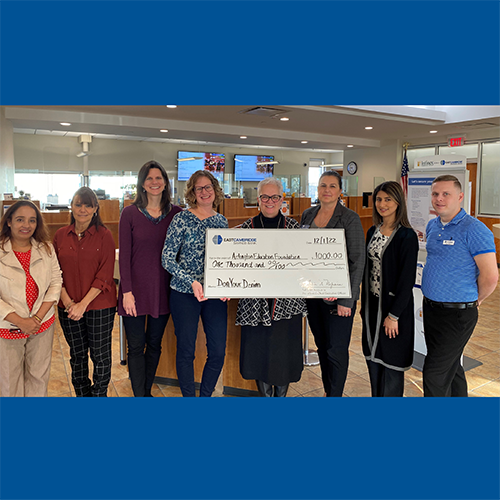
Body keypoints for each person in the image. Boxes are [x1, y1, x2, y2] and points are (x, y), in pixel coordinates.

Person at [421, 174, 498, 397]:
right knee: (452, 368)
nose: (439, 199)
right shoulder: (432, 226)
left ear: (460, 196)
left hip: (457, 314)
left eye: (446, 194)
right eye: (435, 194)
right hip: (432, 309)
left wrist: (477, 299)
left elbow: (491, 276)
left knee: (434, 374)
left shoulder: (474, 229)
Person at [235, 178, 307, 397]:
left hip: (287, 306)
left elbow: (305, 266)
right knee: (259, 355)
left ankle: (281, 398)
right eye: (264, 197)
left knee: (283, 355)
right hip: (255, 305)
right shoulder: (244, 230)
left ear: (281, 199)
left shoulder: (295, 228)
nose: (269, 201)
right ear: (258, 200)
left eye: (274, 197)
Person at [118, 160, 182, 397]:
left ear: (165, 183)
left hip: (163, 290)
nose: (154, 183)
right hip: (133, 291)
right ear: (142, 184)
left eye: (158, 178)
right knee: (135, 346)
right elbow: (124, 255)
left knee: (154, 344)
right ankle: (139, 396)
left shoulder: (177, 214)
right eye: (149, 179)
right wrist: (126, 292)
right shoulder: (130, 213)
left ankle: (146, 392)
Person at [162, 170, 228, 397]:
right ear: (192, 192)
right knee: (186, 351)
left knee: (218, 351)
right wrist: (190, 282)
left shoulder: (221, 221)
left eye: (208, 187)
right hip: (184, 294)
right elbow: (167, 258)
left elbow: (225, 260)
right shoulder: (181, 218)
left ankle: (205, 396)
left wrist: (228, 285)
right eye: (199, 188)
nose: (204, 192)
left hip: (214, 295)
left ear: (215, 190)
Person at [300, 170, 365, 397]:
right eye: (322, 186)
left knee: (336, 351)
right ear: (317, 189)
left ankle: (335, 396)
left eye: (332, 186)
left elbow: (358, 260)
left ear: (340, 191)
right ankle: (329, 393)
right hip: (313, 297)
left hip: (339, 300)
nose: (326, 190)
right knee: (323, 348)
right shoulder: (307, 215)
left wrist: (347, 299)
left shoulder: (349, 218)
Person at [53, 187, 117, 397]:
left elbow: (105, 274)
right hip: (68, 306)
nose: (83, 209)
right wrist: (70, 303)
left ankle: (99, 397)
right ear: (71, 206)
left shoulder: (104, 235)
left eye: (88, 205)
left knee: (100, 355)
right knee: (78, 355)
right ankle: (82, 396)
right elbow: (54, 273)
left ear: (95, 209)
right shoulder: (60, 236)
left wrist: (83, 304)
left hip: (100, 306)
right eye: (78, 204)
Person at [361, 181, 418, 397]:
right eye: (378, 199)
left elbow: (406, 280)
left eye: (388, 199)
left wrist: (394, 316)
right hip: (373, 306)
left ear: (398, 202)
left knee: (392, 365)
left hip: (394, 310)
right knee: (374, 360)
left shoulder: (406, 236)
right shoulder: (372, 231)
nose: (382, 204)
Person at [0, 201, 62, 397]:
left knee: (38, 377)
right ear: (9, 222)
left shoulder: (46, 249)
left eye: (32, 220)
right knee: (10, 381)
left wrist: (35, 320)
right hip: (8, 327)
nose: (26, 225)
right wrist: (20, 322)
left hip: (41, 325)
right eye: (20, 219)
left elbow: (56, 282)